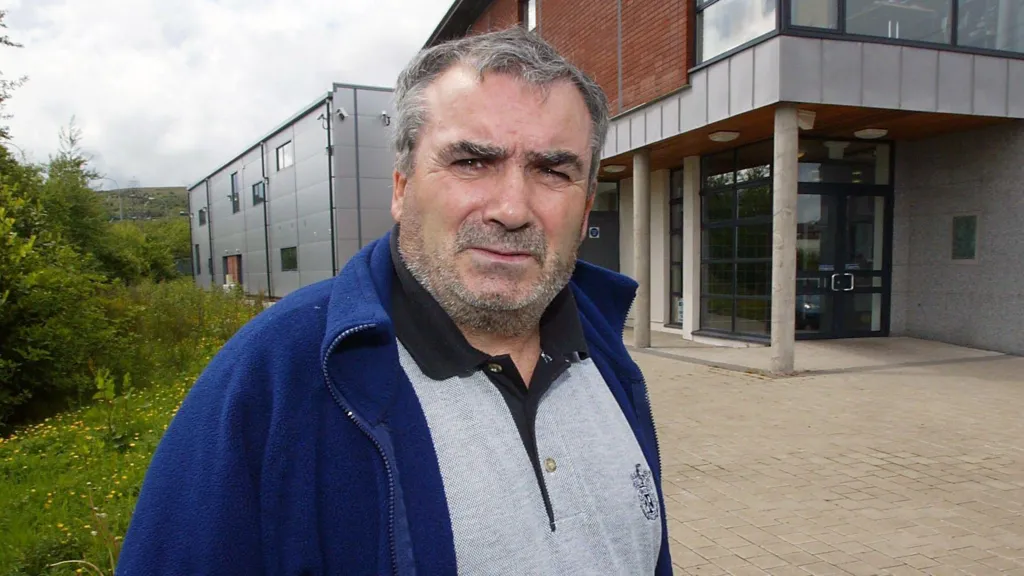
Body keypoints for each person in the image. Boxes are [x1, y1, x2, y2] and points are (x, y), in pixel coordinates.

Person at [117, 26, 671, 575]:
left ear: (586, 204)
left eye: (552, 171)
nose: (511, 209)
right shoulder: (273, 379)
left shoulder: (604, 351)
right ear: (402, 188)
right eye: (472, 162)